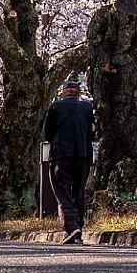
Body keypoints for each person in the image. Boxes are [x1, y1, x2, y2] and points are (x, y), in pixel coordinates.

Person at [42, 76, 94, 244]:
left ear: (63, 93)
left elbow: (47, 133)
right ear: (78, 93)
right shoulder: (87, 108)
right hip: (83, 155)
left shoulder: (55, 107)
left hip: (61, 155)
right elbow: (92, 132)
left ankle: (71, 227)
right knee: (78, 192)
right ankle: (78, 227)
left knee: (62, 192)